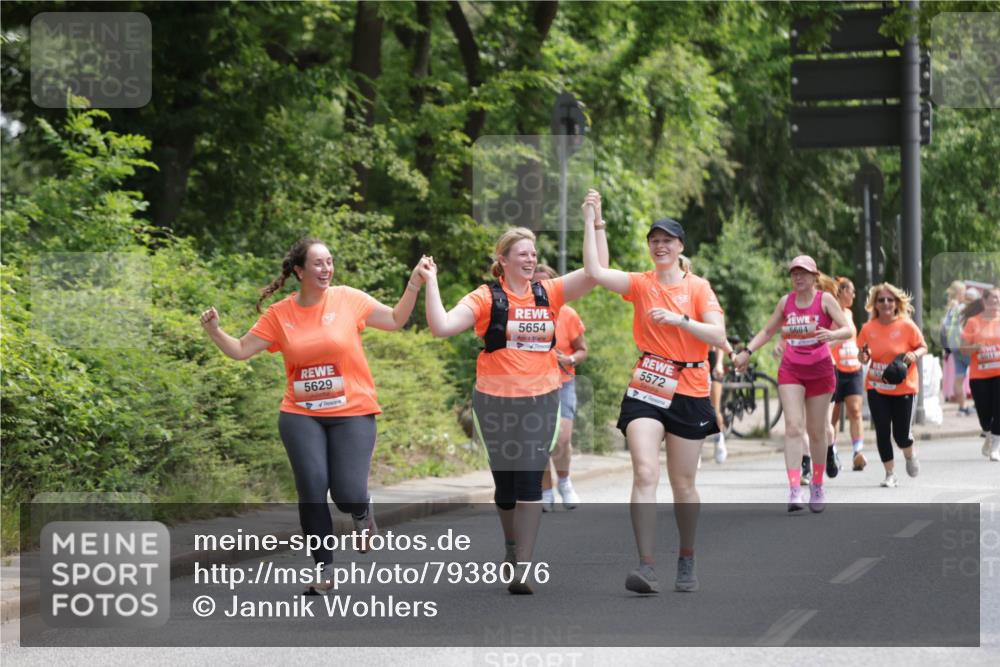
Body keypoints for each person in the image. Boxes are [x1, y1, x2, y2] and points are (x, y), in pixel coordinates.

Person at [199, 238, 429, 594]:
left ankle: (361, 510)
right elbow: (242, 350)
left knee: (347, 493)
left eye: (330, 262)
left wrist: (414, 282)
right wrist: (215, 331)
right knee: (311, 488)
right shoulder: (279, 314)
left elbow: (397, 319)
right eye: (318, 264)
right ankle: (324, 570)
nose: (326, 269)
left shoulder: (348, 299)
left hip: (352, 410)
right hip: (300, 413)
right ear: (299, 271)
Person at [422, 207, 607, 595]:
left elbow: (596, 272)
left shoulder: (550, 293)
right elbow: (440, 327)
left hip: (541, 399)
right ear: (502, 261)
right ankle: (511, 547)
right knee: (504, 489)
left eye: (534, 253)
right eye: (522, 253)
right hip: (494, 402)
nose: (531, 259)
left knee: (528, 483)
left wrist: (595, 223)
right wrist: (431, 282)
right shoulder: (485, 298)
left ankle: (523, 564)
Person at [582, 198, 727, 595]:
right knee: (645, 471)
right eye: (654, 240)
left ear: (681, 246)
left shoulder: (698, 288)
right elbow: (595, 271)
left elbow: (718, 336)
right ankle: (646, 566)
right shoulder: (641, 283)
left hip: (691, 388)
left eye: (667, 240)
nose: (660, 246)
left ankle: (686, 555)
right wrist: (594, 221)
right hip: (648, 384)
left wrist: (681, 319)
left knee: (683, 485)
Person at [734, 256, 852, 513]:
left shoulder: (825, 300)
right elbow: (767, 331)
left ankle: (818, 484)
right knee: (793, 427)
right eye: (794, 273)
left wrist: (832, 334)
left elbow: (848, 330)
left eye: (803, 273)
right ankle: (794, 488)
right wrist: (747, 352)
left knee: (818, 431)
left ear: (814, 276)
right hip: (792, 370)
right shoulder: (786, 302)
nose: (798, 277)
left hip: (820, 370)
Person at [857, 283, 928, 488]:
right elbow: (863, 355)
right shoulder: (868, 329)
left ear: (896, 303)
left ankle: (909, 452)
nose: (886, 303)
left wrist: (913, 354)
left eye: (890, 299)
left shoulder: (906, 325)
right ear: (875, 305)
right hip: (877, 386)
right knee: (881, 430)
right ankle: (890, 474)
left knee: (901, 435)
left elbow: (923, 346)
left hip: (904, 387)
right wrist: (862, 356)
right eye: (881, 300)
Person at [532, 264, 587, 512]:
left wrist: (570, 359)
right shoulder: (523, 314)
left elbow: (582, 350)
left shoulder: (568, 313)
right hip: (534, 385)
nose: (540, 288)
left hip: (563, 383)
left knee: (562, 439)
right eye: (535, 284)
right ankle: (546, 490)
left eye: (545, 284)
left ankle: (564, 481)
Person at [829, 277, 867, 471]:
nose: (853, 295)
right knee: (833, 416)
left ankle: (857, 452)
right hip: (834, 368)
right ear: (841, 291)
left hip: (853, 367)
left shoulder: (849, 313)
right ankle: (832, 451)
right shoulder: (830, 313)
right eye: (850, 291)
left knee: (855, 410)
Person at [960, 287, 1000, 461]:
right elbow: (962, 349)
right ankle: (988, 434)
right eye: (992, 298)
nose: (996, 302)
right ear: (984, 301)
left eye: (998, 299)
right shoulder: (973, 322)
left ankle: (996, 447)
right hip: (979, 375)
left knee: (999, 411)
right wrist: (974, 348)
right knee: (984, 414)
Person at [941, 281, 972, 415]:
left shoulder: (949, 308)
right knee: (978, 374)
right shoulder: (961, 307)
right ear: (959, 293)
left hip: (954, 348)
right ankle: (978, 405)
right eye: (963, 292)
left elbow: (943, 328)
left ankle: (962, 407)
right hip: (964, 346)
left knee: (959, 378)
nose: (965, 294)